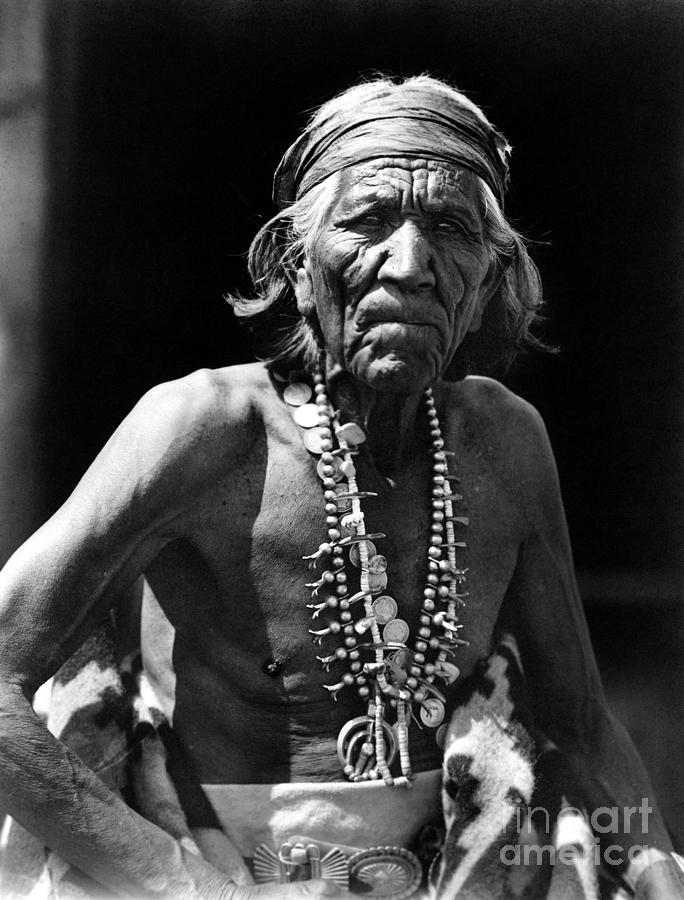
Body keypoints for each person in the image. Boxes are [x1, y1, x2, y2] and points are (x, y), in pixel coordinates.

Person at [0, 75, 681, 900]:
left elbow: (579, 729)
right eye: (366, 222)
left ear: (492, 273)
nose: (412, 263)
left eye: (450, 229)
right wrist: (172, 882)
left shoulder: (504, 441)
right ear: (294, 260)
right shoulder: (201, 429)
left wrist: (657, 871)